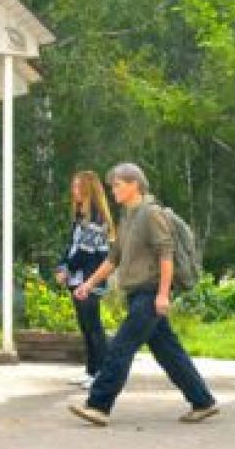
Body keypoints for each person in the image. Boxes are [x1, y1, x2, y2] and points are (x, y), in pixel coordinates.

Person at [68, 162, 218, 426]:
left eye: (117, 184)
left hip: (150, 294)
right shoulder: (127, 217)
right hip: (138, 294)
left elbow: (166, 254)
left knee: (120, 348)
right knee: (169, 353)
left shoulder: (150, 214)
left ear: (134, 184)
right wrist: (88, 284)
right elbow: (113, 259)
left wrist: (163, 294)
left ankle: (98, 405)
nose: (112, 190)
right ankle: (202, 401)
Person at [54, 171, 114, 389]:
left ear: (89, 189)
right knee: (85, 327)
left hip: (90, 281)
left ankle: (101, 374)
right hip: (76, 279)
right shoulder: (80, 216)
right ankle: (90, 371)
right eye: (73, 186)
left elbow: (86, 253)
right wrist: (61, 266)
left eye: (78, 186)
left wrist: (66, 270)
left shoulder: (98, 218)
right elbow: (70, 247)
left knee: (94, 327)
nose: (74, 190)